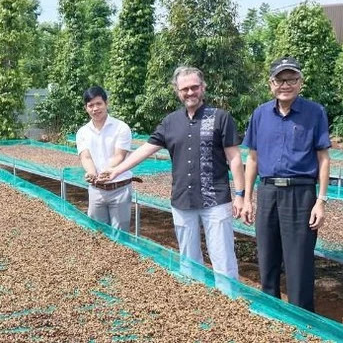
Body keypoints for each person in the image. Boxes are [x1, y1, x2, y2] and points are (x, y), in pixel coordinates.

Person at [100, 66, 246, 280]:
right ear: (177, 91)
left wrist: (241, 195)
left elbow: (234, 158)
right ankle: (198, 302)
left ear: (203, 87)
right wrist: (116, 170)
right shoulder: (170, 122)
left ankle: (229, 305)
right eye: (184, 89)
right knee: (188, 260)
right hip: (182, 200)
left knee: (223, 260)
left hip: (215, 199)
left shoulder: (220, 118)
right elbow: (146, 149)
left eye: (194, 87)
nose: (190, 92)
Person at [241, 56, 329, 312]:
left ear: (300, 82)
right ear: (271, 84)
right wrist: (247, 199)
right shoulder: (260, 114)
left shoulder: (315, 112)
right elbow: (253, 157)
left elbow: (323, 158)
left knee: (299, 261)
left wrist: (321, 201)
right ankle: (270, 312)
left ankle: (302, 319)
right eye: (280, 79)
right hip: (267, 191)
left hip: (301, 193)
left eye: (291, 79)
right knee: (267, 257)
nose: (285, 84)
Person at [75, 86, 133, 231]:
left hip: (119, 188)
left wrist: (105, 172)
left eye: (98, 104)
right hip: (96, 190)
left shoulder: (121, 127)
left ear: (106, 103)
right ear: (86, 108)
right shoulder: (83, 132)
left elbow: (119, 155)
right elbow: (85, 157)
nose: (95, 108)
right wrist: (92, 173)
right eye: (91, 105)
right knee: (97, 233)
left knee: (120, 236)